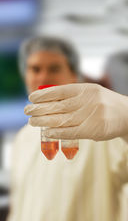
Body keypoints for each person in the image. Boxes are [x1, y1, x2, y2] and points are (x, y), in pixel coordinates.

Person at [7, 36, 128, 221]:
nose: (43, 77)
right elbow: (20, 206)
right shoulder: (23, 137)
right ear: (25, 76)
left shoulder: (102, 130)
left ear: (74, 75)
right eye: (35, 69)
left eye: (54, 68)